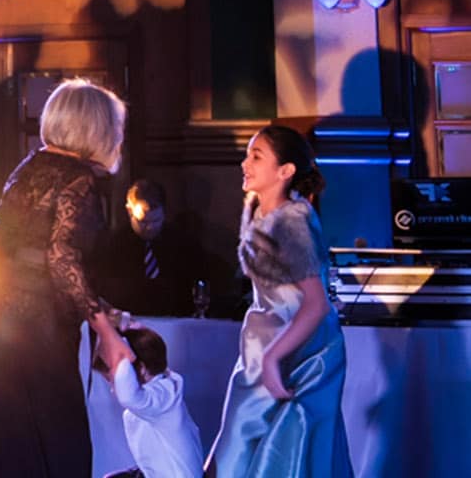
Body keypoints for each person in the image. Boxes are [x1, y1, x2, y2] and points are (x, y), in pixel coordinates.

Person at [0, 78, 127, 477]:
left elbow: (10, 255)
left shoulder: (27, 169)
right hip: (35, 340)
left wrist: (98, 308)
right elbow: (61, 259)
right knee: (49, 451)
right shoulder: (78, 179)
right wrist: (106, 333)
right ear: (96, 127)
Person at [205, 125, 352, 478]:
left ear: (285, 171)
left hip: (296, 353)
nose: (245, 164)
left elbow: (316, 303)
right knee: (237, 452)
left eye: (256, 156)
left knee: (275, 456)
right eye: (247, 155)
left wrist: (272, 358)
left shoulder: (290, 222)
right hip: (264, 346)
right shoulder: (262, 213)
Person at [93, 319, 203, 478]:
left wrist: (118, 348)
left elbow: (128, 396)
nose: (112, 389)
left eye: (113, 381)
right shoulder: (158, 393)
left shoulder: (164, 397)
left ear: (142, 369)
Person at [95, 179, 196, 316]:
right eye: (143, 222)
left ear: (164, 212)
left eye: (156, 220)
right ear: (129, 211)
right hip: (128, 319)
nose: (150, 227)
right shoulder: (113, 246)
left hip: (174, 319)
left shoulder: (181, 244)